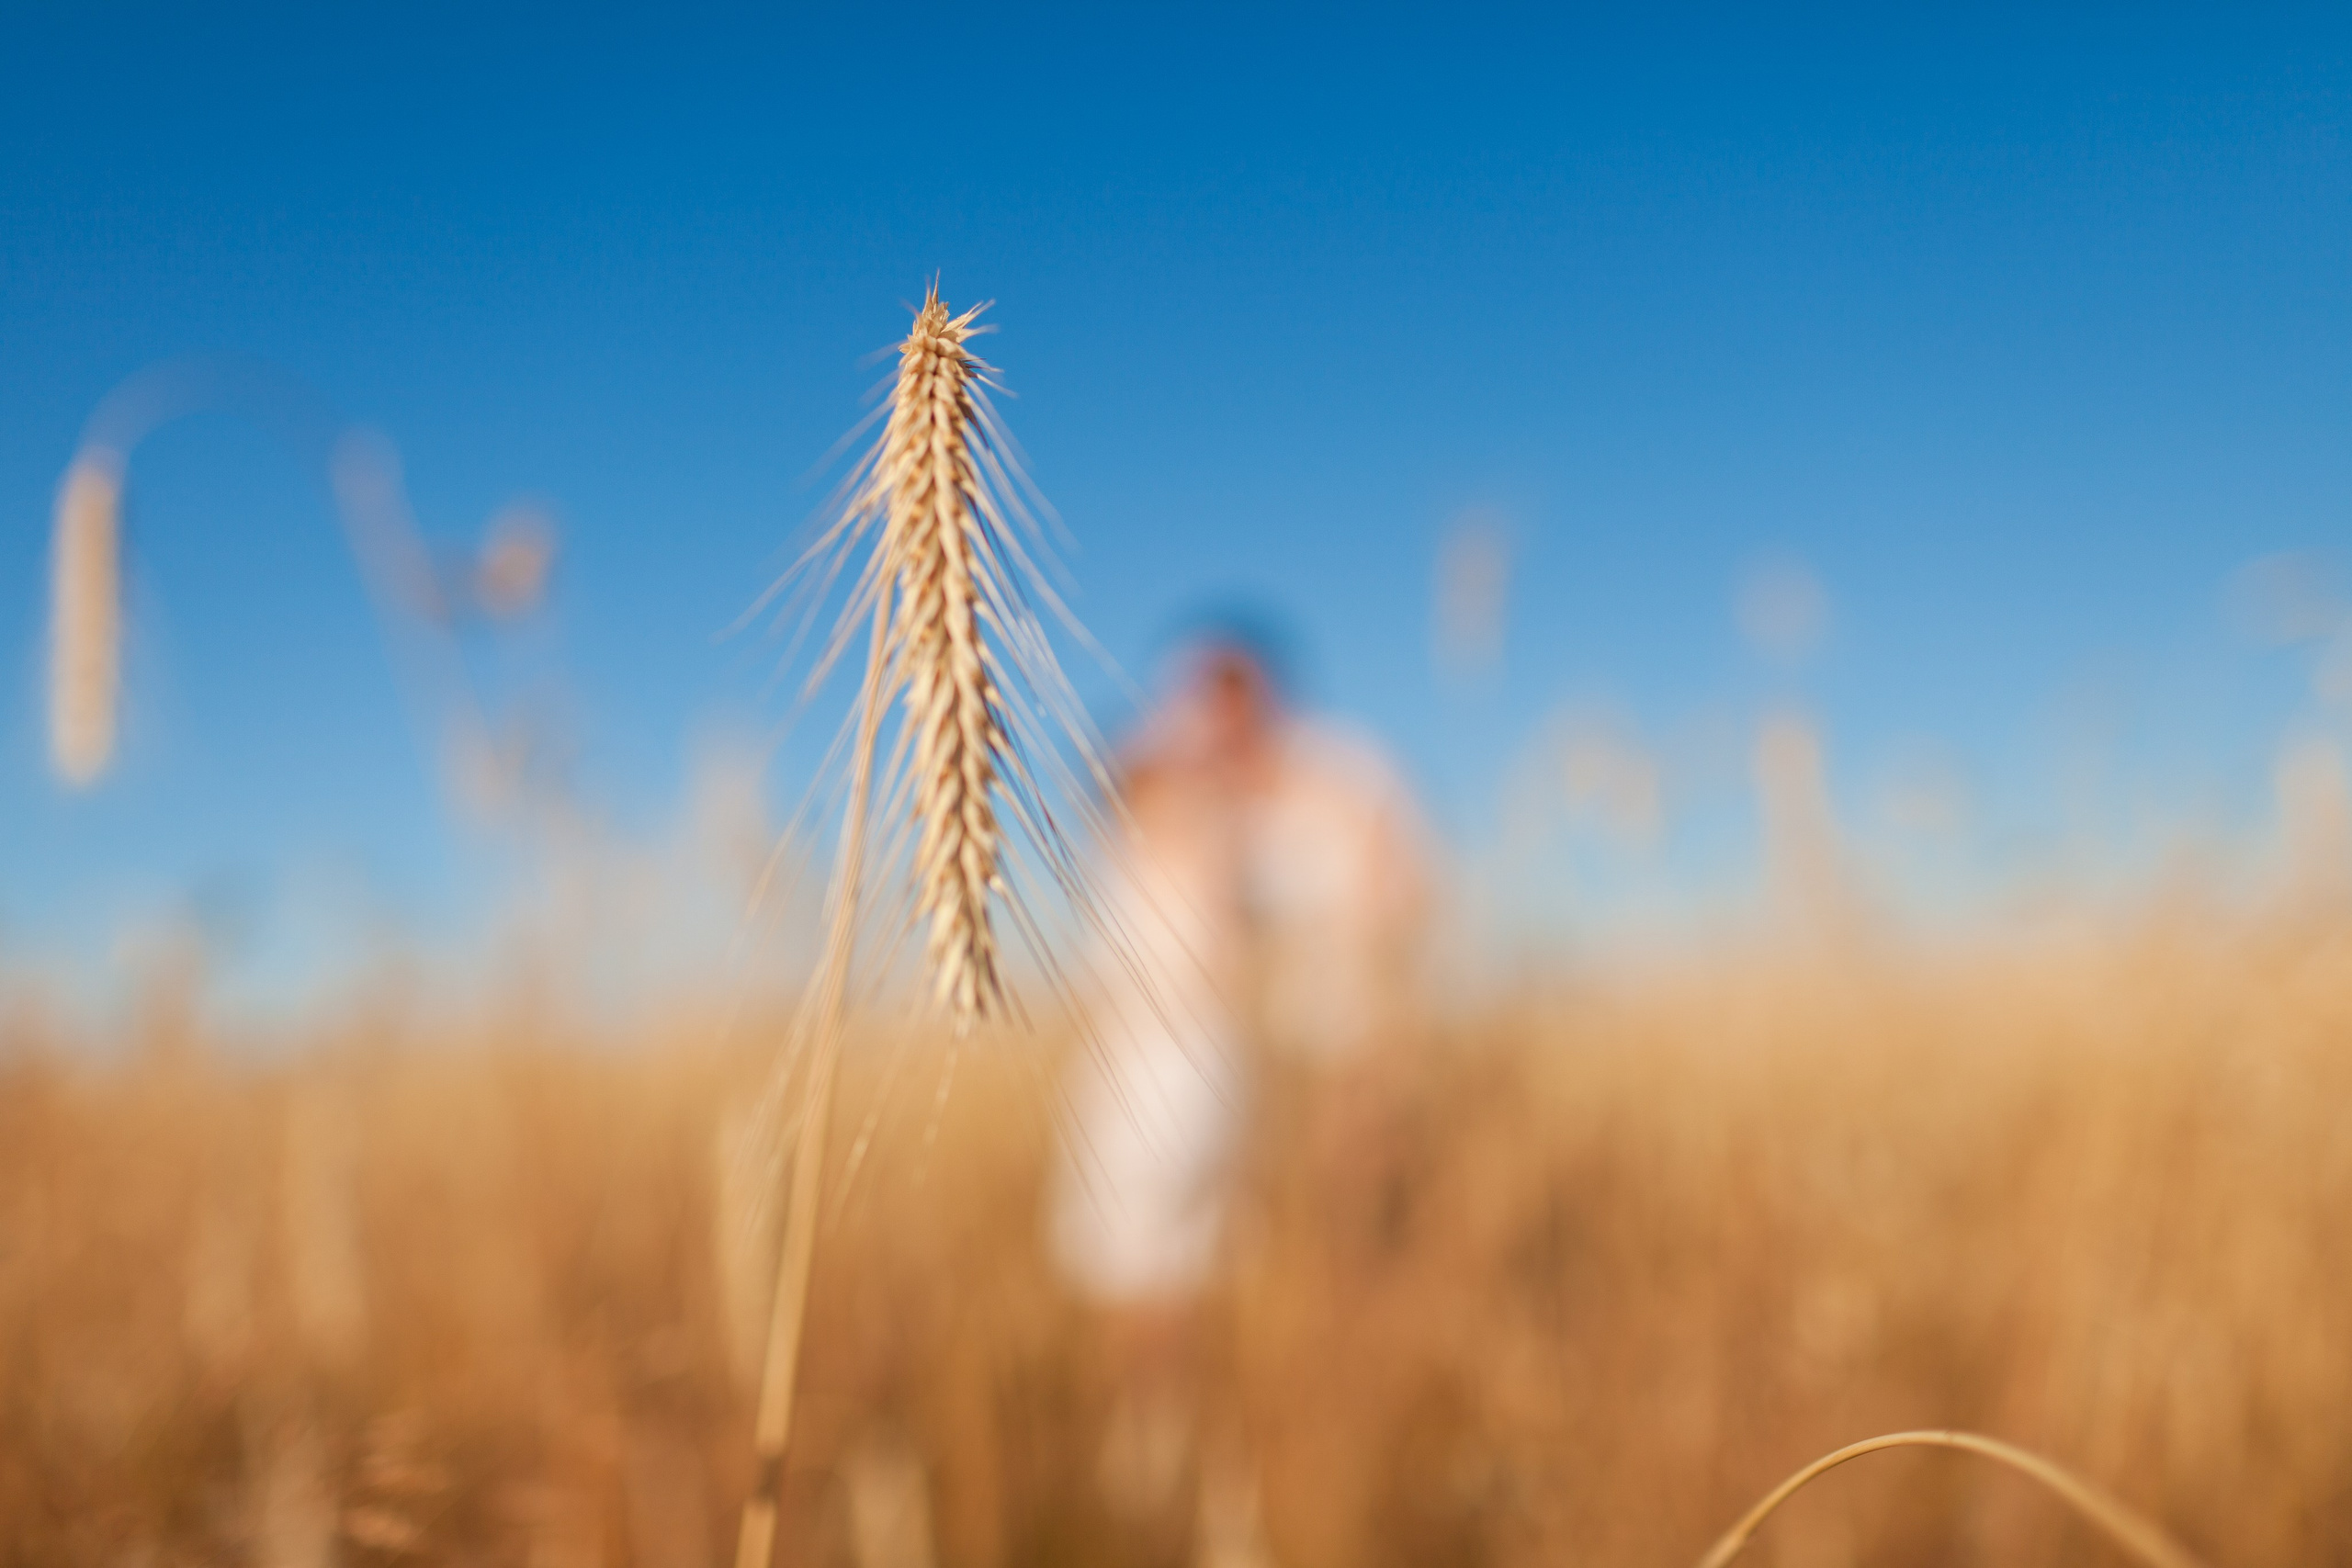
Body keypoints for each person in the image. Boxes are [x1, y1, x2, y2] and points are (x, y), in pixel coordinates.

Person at [1046, 623, 1432, 1567]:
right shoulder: (1163, 791)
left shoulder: (1324, 780)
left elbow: (1389, 889)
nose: (1206, 722)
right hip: (1161, 1057)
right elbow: (1110, 788)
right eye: (1190, 700)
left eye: (1219, 698)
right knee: (1144, 1262)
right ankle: (1155, 1443)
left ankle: (1215, 1438)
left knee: (1220, 1255)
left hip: (1257, 1059)